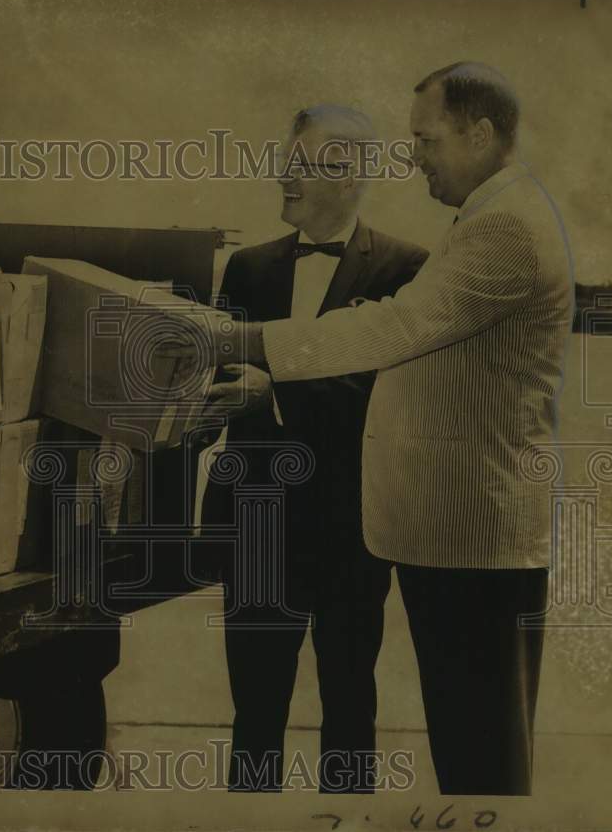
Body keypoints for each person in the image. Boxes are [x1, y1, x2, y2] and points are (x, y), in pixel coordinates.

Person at [196, 63, 574, 795]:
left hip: (459, 537)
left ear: (481, 133)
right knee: (464, 754)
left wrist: (246, 347)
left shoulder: (498, 227)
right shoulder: (487, 217)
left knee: (473, 757)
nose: (417, 155)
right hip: (406, 533)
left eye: (426, 139)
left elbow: (391, 331)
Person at [196, 105, 427, 792]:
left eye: (301, 164)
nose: (283, 177)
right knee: (255, 709)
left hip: (349, 525)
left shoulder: (407, 267)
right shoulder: (245, 268)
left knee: (349, 702)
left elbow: (386, 395)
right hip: (256, 523)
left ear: (350, 174)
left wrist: (272, 395)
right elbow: (216, 385)